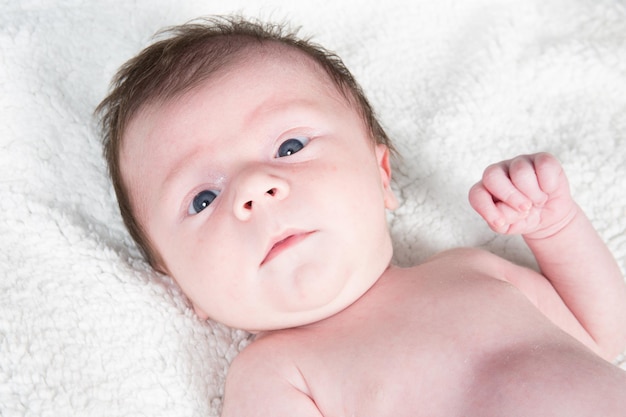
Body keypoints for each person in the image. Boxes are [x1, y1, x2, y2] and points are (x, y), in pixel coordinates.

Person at [96, 16, 626, 416]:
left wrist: (555, 227)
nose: (255, 189)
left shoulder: (469, 269)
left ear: (381, 175)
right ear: (180, 285)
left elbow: (604, 334)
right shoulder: (274, 373)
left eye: (289, 145)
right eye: (203, 199)